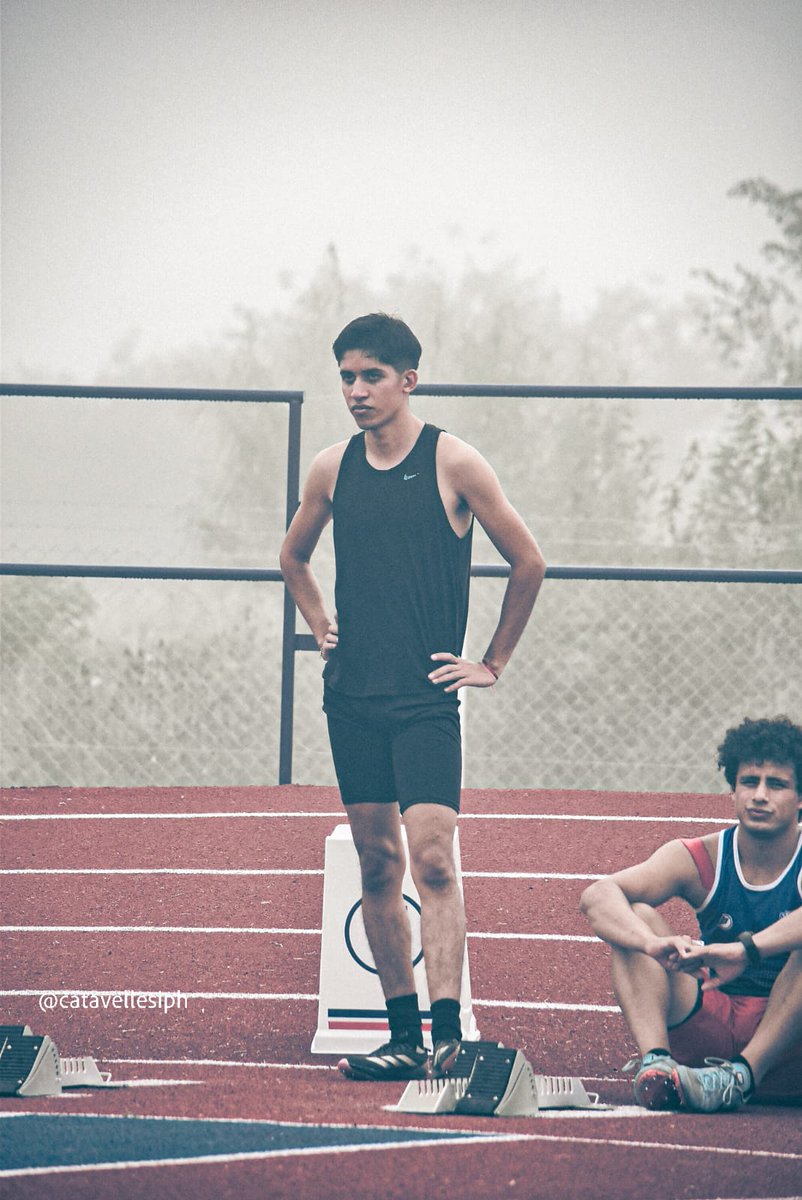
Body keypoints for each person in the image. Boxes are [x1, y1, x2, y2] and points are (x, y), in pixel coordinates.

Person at [280, 313, 545, 1081]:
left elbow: (528, 563)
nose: (356, 391)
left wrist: (491, 662)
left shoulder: (453, 461)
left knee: (432, 860)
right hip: (352, 696)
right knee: (374, 866)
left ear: (408, 380)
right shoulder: (332, 468)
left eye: (370, 376)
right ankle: (401, 1038)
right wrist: (321, 622)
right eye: (345, 377)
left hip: (426, 698)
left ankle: (449, 1035)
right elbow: (294, 556)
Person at [580, 715, 802, 1112]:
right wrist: (652, 943)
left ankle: (743, 1076)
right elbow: (598, 896)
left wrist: (745, 951)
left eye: (777, 784)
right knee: (635, 919)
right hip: (713, 1028)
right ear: (733, 792)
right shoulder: (702, 856)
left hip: (787, 1046)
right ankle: (657, 1065)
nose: (760, 795)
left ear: (800, 798)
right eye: (749, 782)